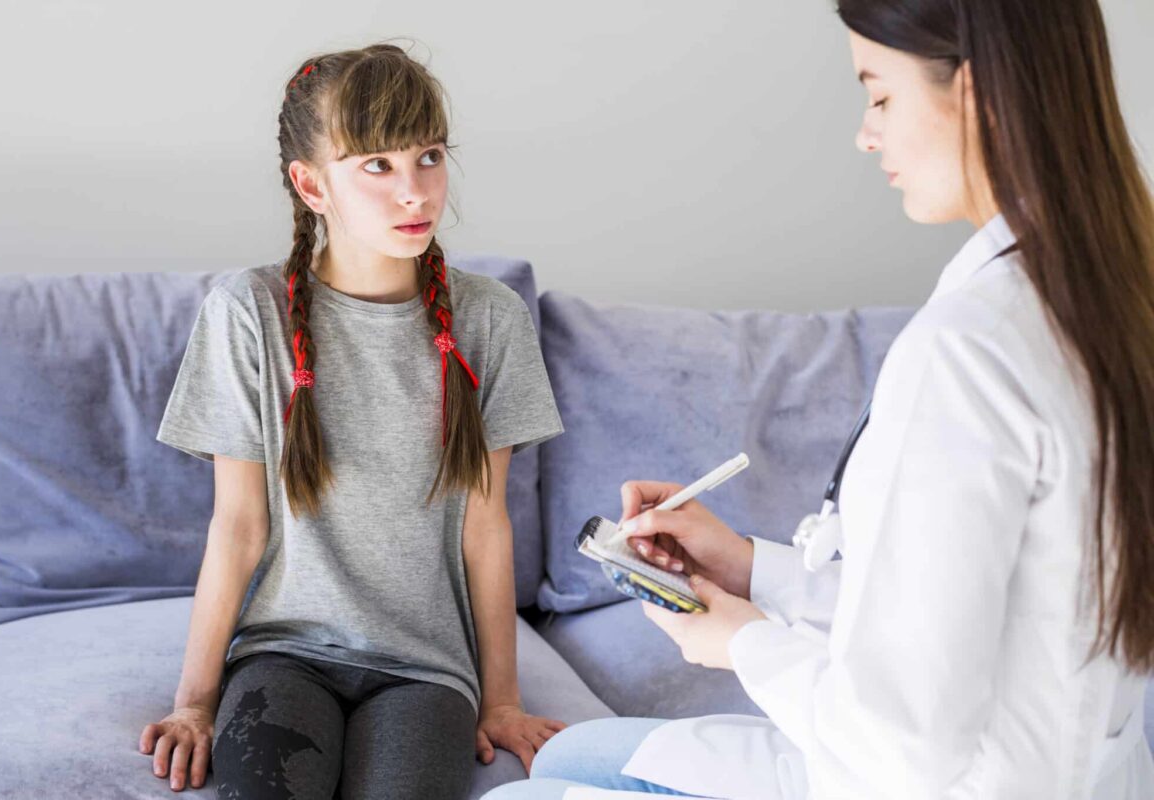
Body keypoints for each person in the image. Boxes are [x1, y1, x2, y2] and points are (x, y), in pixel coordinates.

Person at [486, 1, 1154, 797]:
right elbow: (957, 614)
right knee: (566, 759)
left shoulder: (967, 352)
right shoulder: (1108, 305)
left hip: (920, 780)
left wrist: (742, 644)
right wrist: (749, 568)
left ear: (973, 92)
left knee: (530, 791)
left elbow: (905, 747)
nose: (867, 135)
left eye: (879, 95)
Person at [137, 44, 566, 799]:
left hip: (425, 671)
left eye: (428, 156)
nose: (415, 192)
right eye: (377, 165)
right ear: (312, 184)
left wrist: (501, 701)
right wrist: (194, 703)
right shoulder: (248, 314)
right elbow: (238, 527)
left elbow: (486, 524)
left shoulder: (490, 320)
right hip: (282, 655)